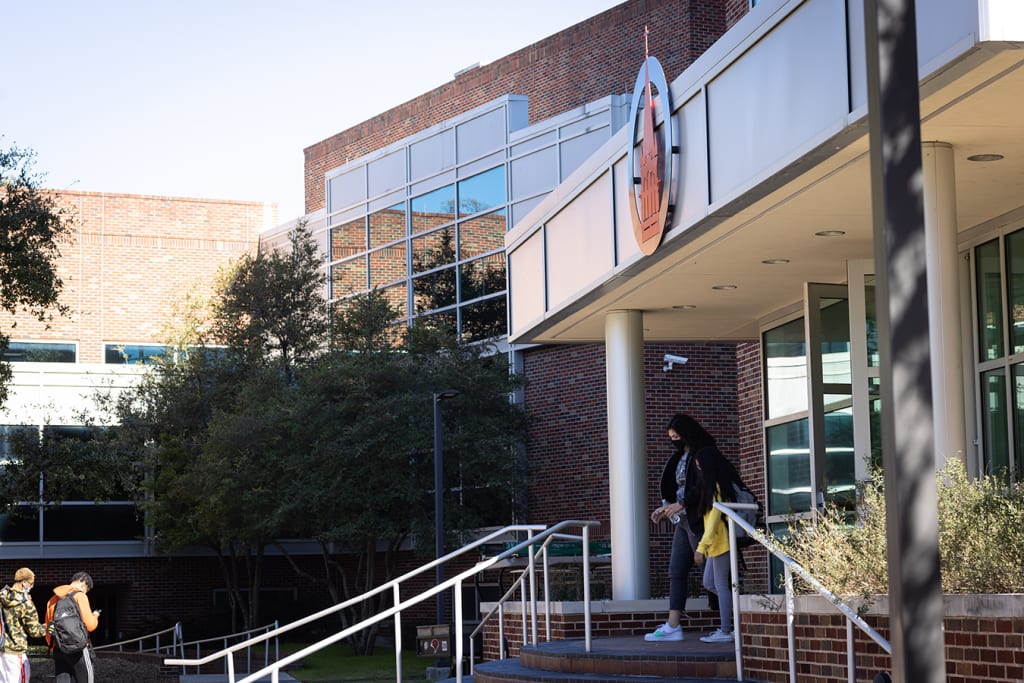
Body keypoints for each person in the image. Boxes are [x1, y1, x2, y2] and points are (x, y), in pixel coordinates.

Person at [644, 414, 714, 642]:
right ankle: (673, 625)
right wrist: (666, 510)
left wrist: (681, 504)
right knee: (676, 571)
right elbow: (676, 490)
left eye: (677, 436)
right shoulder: (679, 456)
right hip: (682, 521)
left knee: (710, 573)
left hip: (698, 519)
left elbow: (703, 487)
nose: (674, 441)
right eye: (671, 438)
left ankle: (728, 623)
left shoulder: (702, 453)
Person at [693, 444, 746, 643]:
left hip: (720, 542)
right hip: (715, 544)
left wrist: (701, 548)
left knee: (721, 585)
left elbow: (714, 521)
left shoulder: (715, 489)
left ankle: (726, 630)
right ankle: (733, 615)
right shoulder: (711, 488)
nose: (698, 469)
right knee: (711, 583)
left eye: (699, 466)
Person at [45, 572, 100, 683]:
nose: (85, 592)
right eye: (86, 589)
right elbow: (90, 625)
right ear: (83, 583)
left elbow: (49, 627)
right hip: (78, 649)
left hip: (59, 649)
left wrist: (53, 647)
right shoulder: (80, 596)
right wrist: (95, 616)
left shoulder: (52, 600)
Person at [0, 567, 47, 683]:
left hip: (1, 648)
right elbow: (35, 631)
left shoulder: (1, 595)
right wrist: (48, 627)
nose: (32, 586)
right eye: (31, 583)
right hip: (16, 650)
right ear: (24, 583)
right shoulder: (26, 603)